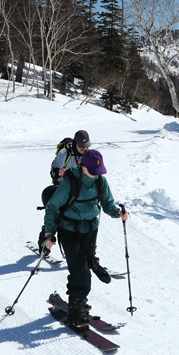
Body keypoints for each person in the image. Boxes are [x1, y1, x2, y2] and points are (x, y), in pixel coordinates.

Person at [43, 149, 127, 330]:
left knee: (86, 264)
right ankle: (76, 311)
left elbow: (107, 204)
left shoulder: (100, 181)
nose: (96, 174)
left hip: (90, 230)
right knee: (80, 270)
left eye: (98, 170)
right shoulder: (70, 182)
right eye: (93, 170)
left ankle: (81, 299)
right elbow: (51, 207)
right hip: (69, 231)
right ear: (82, 166)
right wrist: (48, 234)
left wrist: (117, 213)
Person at [38, 130, 91, 251]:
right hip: (63, 190)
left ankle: (87, 251)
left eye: (86, 146)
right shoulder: (64, 153)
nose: (84, 148)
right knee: (57, 218)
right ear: (75, 143)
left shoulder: (87, 155)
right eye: (81, 146)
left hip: (79, 192)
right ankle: (44, 243)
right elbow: (53, 173)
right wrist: (58, 172)